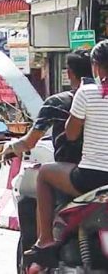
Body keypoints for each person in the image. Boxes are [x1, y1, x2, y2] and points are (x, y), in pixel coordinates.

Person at [26, 41, 108, 264]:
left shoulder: (86, 93)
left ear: (95, 66)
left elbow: (71, 135)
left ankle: (44, 239)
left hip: (90, 178)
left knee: (44, 173)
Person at [1, 50, 93, 162]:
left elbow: (29, 142)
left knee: (43, 171)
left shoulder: (57, 102)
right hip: (101, 164)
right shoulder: (101, 100)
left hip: (70, 165)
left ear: (69, 73)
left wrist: (11, 148)